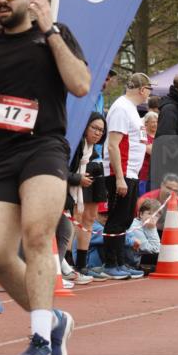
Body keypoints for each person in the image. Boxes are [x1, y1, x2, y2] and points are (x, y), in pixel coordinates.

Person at [0, 0, 90, 355]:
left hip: (43, 148)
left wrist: (50, 29)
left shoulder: (55, 35)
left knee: (37, 234)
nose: (0, 0)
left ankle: (39, 339)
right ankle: (52, 320)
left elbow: (80, 85)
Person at [100, 73, 152, 280]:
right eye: (149, 89)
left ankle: (120, 261)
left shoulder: (131, 109)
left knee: (126, 218)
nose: (149, 94)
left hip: (130, 172)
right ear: (142, 89)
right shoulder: (121, 108)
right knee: (117, 218)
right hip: (120, 172)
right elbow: (113, 145)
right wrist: (119, 178)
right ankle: (111, 263)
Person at [66, 111, 107, 282]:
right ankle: (67, 265)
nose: (98, 133)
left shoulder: (93, 150)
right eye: (94, 128)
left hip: (93, 170)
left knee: (89, 218)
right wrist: (77, 178)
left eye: (101, 130)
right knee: (73, 218)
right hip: (72, 182)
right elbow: (61, 169)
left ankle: (81, 266)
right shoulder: (74, 145)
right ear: (84, 127)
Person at [137, 111, 157, 196]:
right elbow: (152, 151)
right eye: (153, 122)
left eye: (157, 122)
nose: (155, 124)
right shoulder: (143, 135)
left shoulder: (159, 135)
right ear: (146, 123)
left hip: (156, 175)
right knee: (143, 199)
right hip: (144, 175)